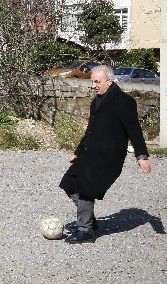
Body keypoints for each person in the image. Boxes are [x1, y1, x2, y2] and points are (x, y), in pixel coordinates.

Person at [59, 65, 152, 242]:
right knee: (69, 184)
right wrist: (78, 152)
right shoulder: (96, 101)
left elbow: (135, 130)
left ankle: (85, 231)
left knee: (86, 189)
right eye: (92, 81)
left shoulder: (124, 101)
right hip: (89, 153)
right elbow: (90, 131)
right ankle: (88, 220)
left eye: (97, 81)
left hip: (108, 157)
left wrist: (141, 156)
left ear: (109, 81)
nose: (93, 85)